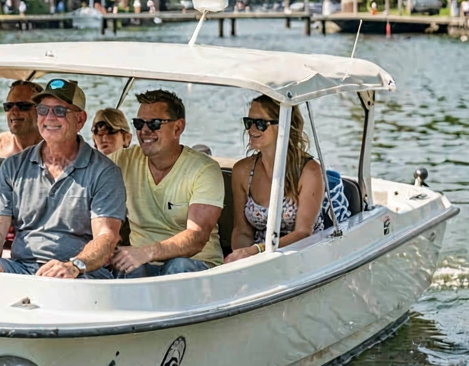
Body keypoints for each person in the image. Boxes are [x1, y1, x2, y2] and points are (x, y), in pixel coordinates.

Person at [0, 79, 125, 278]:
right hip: (22, 267)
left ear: (80, 120)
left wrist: (74, 266)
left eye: (59, 111)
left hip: (80, 273)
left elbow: (106, 237)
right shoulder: (13, 165)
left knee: (60, 280)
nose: (49, 117)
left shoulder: (105, 171)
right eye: (42, 110)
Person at [107, 90, 224, 278]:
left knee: (178, 267)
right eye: (139, 123)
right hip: (139, 262)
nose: (144, 131)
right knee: (125, 268)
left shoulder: (204, 169)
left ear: (178, 128)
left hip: (196, 265)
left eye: (154, 124)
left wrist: (145, 252)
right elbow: (85, 176)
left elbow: (197, 238)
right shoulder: (122, 160)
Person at [225, 95, 325, 263]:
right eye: (249, 122)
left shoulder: (309, 171)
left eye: (261, 123)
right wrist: (240, 259)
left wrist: (258, 250)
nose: (251, 129)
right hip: (257, 259)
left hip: (303, 256)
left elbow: (303, 232)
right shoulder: (242, 171)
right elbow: (242, 231)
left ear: (283, 126)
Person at [0, 80, 43, 158]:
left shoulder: (55, 147)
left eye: (23, 106)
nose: (14, 111)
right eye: (9, 106)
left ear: (41, 110)